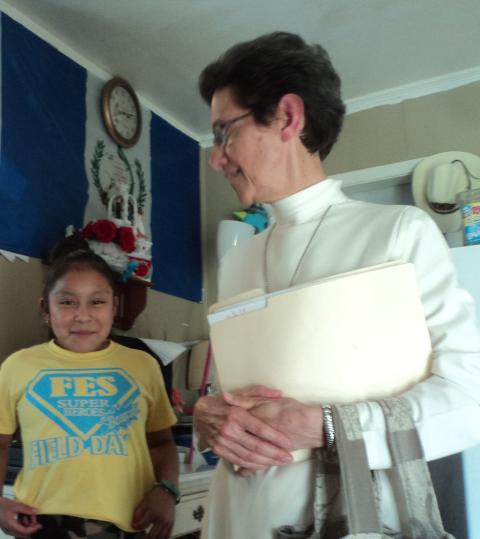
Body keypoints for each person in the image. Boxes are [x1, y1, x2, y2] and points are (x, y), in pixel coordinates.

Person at [193, 31, 480, 538]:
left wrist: (329, 426)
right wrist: (208, 417)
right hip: (235, 515)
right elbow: (233, 396)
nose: (216, 158)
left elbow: (468, 398)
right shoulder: (237, 260)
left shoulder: (397, 233)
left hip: (351, 519)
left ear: (287, 116)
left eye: (224, 132)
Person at [0, 242, 179, 539]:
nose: (82, 316)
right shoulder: (18, 366)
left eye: (97, 302)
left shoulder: (142, 366)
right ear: (45, 308)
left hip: (127, 524)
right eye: (67, 302)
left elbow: (161, 443)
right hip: (41, 523)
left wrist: (167, 490)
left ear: (115, 306)